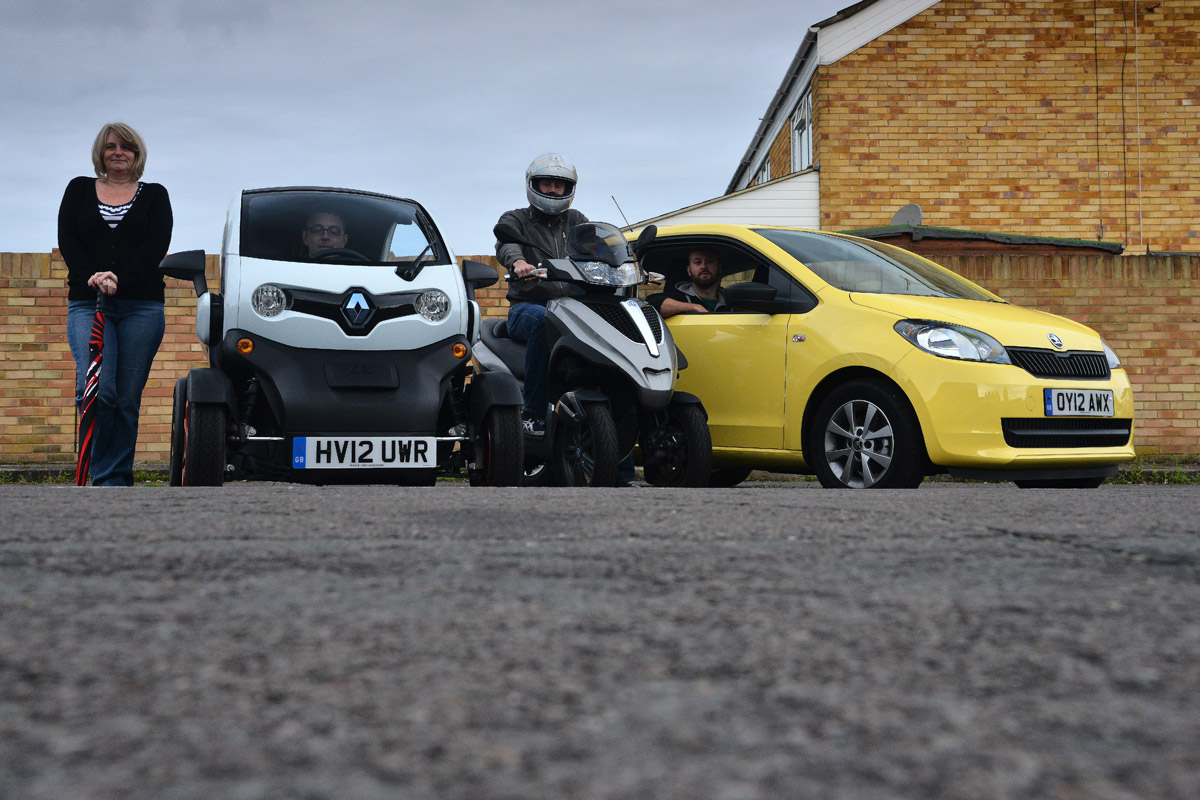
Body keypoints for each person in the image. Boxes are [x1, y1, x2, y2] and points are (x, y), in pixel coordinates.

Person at [58, 122, 173, 486]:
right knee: (98, 391)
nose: (118, 152)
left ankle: (114, 480)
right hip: (89, 305)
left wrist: (119, 277)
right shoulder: (78, 189)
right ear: (101, 153)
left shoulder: (155, 195)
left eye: (126, 147)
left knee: (126, 399)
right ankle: (100, 472)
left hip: (142, 307)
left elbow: (155, 246)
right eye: (111, 147)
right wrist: (93, 274)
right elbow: (68, 238)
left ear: (137, 155)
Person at [495, 153, 588, 437]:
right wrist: (518, 263)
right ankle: (533, 414)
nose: (551, 190)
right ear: (533, 184)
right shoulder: (516, 219)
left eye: (558, 185)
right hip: (528, 306)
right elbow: (507, 243)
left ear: (567, 189)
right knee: (543, 320)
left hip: (573, 308)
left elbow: (594, 246)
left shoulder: (577, 220)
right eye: (546, 183)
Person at [651, 247, 731, 318]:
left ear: (719, 268)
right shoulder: (679, 297)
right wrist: (695, 307)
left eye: (710, 261)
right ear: (689, 270)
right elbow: (652, 303)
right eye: (698, 262)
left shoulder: (730, 301)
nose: (703, 266)